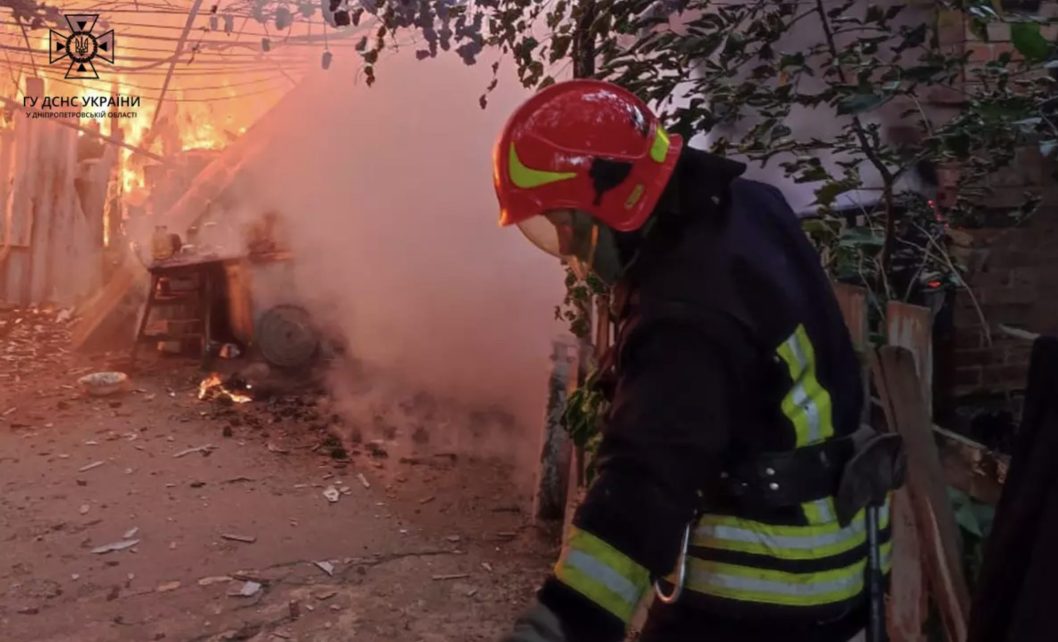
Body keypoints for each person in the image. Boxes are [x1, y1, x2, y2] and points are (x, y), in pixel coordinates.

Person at [492, 80, 887, 642]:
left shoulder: (685, 311)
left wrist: (555, 624)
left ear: (614, 202)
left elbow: (646, 481)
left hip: (769, 580)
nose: (570, 249)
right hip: (842, 556)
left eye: (567, 224)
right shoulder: (748, 208)